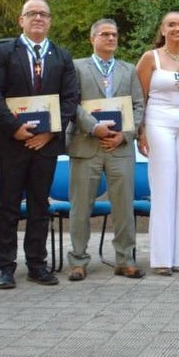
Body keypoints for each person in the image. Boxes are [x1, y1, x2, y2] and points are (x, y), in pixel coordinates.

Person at [0, 0, 79, 289]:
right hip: (11, 142)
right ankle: (6, 267)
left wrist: (49, 133)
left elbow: (70, 98)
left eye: (44, 14)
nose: (38, 18)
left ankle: (37, 264)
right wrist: (14, 128)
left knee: (40, 205)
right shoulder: (4, 52)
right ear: (21, 20)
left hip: (46, 144)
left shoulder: (61, 56)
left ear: (50, 21)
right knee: (8, 205)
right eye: (32, 14)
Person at [66, 19, 145, 281]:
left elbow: (138, 106)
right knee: (80, 206)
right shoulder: (77, 67)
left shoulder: (129, 69)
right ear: (92, 38)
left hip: (120, 148)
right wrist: (93, 127)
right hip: (86, 144)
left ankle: (125, 259)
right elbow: (71, 103)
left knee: (123, 206)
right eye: (105, 34)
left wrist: (125, 135)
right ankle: (78, 260)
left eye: (114, 34)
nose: (111, 38)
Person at [136, 11, 179, 276]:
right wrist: (140, 132)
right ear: (162, 29)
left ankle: (178, 257)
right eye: (171, 24)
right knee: (163, 187)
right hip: (158, 123)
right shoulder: (150, 58)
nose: (177, 28)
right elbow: (139, 96)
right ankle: (161, 258)